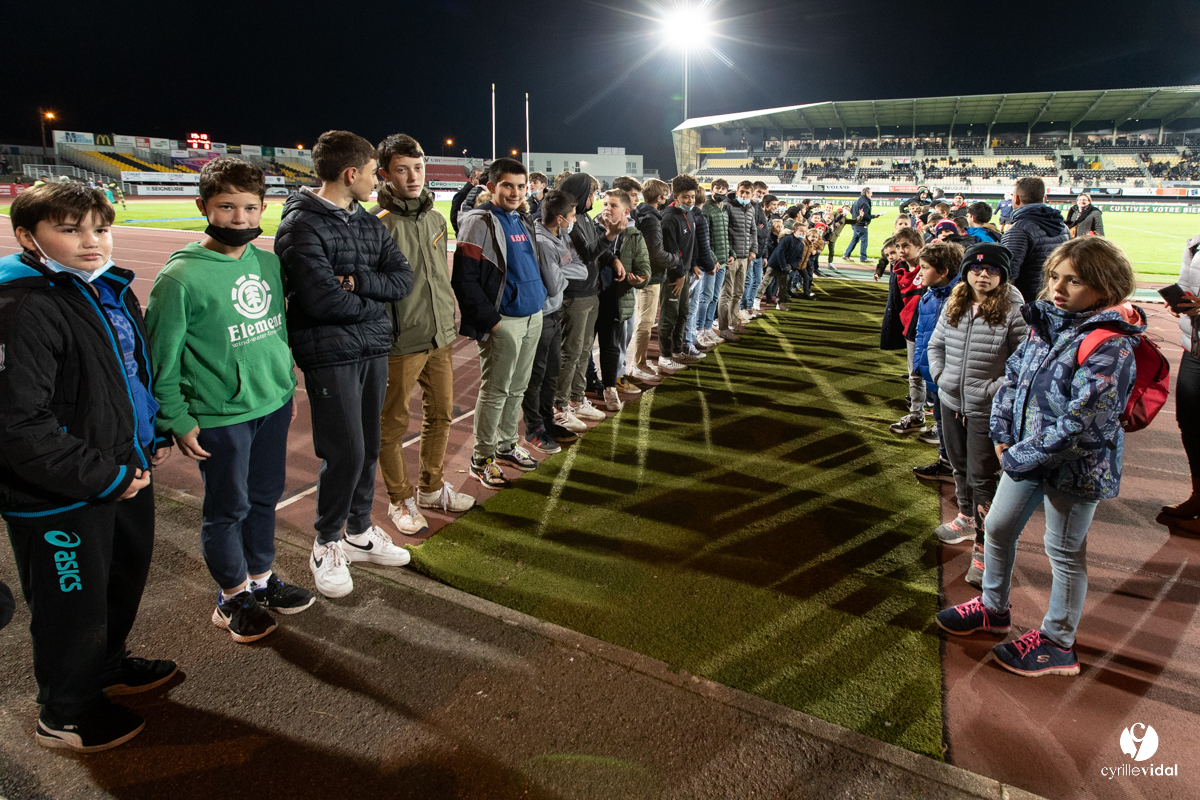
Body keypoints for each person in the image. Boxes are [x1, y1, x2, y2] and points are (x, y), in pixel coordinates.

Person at [1, 182, 176, 751]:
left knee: (117, 584)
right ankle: (65, 711)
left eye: (99, 228)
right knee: (69, 606)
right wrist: (106, 474)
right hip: (62, 492)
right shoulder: (23, 305)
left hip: (123, 470)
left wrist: (148, 436)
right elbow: (18, 425)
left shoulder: (108, 288)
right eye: (69, 229)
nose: (91, 242)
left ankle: (105, 667)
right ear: (28, 236)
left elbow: (128, 373)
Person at [937, 236, 1143, 677]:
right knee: (997, 526)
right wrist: (1002, 432)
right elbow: (1013, 378)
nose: (1058, 288)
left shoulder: (1111, 344)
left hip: (1073, 467)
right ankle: (994, 608)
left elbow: (1084, 424)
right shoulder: (1046, 321)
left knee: (1064, 551)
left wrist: (1017, 454)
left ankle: (1058, 642)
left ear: (1106, 287)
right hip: (1022, 454)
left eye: (1074, 280)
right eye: (1054, 276)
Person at [147, 156, 311, 643]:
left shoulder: (268, 262)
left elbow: (275, 332)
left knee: (264, 497)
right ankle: (231, 596)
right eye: (226, 207)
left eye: (250, 208)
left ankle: (261, 580)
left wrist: (285, 387)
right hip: (220, 417)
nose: (240, 219)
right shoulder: (180, 278)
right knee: (227, 508)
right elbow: (162, 359)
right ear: (203, 206)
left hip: (272, 406)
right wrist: (176, 418)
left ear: (264, 209)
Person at [275, 130, 415, 599]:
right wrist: (370, 301)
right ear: (351, 174)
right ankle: (326, 541)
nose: (377, 181)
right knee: (346, 452)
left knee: (369, 445)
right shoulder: (301, 225)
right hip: (329, 351)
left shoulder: (365, 221)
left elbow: (402, 279)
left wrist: (354, 281)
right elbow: (318, 299)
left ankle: (358, 531)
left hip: (370, 347)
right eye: (375, 172)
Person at [370, 134, 475, 536]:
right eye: (402, 169)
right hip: (400, 342)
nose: (413, 176)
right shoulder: (377, 226)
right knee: (392, 426)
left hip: (440, 336)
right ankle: (401, 499)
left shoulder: (435, 218)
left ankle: (431, 488)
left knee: (442, 415)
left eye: (418, 167)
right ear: (385, 174)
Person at [927, 242, 1028, 587]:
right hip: (951, 400)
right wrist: (941, 377)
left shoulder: (1014, 309)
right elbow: (936, 343)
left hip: (986, 407)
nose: (983, 275)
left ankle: (985, 549)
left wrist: (991, 390)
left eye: (992, 270)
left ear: (1003, 274)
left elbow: (1023, 363)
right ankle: (967, 517)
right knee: (958, 464)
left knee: (983, 476)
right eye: (976, 268)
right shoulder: (956, 299)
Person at [452, 157, 550, 489]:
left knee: (518, 388)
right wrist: (492, 322)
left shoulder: (521, 218)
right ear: (492, 186)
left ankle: (507, 445)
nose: (515, 192)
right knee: (496, 391)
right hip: (504, 320)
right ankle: (481, 458)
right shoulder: (478, 221)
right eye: (508, 185)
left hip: (532, 316)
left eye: (521, 186)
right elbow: (464, 280)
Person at [552, 172, 625, 422]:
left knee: (583, 352)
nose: (595, 197)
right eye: (592, 192)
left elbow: (597, 250)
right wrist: (611, 236)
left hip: (590, 292)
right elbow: (587, 253)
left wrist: (613, 258)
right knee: (570, 352)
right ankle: (560, 407)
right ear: (581, 194)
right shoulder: (568, 221)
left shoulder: (584, 218)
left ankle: (576, 397)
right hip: (573, 295)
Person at [526, 189, 574, 450]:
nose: (574, 219)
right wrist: (566, 269)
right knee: (537, 375)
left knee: (551, 372)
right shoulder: (544, 242)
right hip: (542, 315)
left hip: (552, 314)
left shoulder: (559, 235)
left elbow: (575, 263)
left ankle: (545, 421)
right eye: (572, 215)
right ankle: (533, 428)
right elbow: (555, 286)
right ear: (559, 218)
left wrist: (564, 268)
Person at [595, 189, 650, 411]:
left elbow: (645, 271)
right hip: (589, 298)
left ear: (626, 211)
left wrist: (637, 279)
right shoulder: (592, 229)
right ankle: (578, 395)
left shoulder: (634, 236)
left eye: (613, 205)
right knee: (579, 351)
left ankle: (609, 388)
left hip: (616, 299)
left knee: (610, 348)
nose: (607, 208)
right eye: (605, 204)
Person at [1160, 234, 1200, 532]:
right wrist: (1180, 304)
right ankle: (1198, 496)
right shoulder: (1196, 243)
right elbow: (1187, 286)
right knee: (1190, 423)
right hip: (1195, 347)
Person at [628, 178, 681, 380]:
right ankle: (638, 364)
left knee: (642, 320)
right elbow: (655, 252)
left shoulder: (640, 213)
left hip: (642, 272)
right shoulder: (652, 219)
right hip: (650, 275)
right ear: (659, 197)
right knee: (645, 322)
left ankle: (639, 361)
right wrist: (675, 260)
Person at [886, 228, 929, 436]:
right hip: (910, 331)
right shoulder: (898, 270)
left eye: (906, 246)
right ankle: (916, 415)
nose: (901, 251)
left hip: (929, 330)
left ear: (920, 247)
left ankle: (939, 424)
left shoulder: (930, 268)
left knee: (935, 376)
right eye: (898, 246)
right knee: (914, 375)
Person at [1001, 177, 1070, 301]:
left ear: (1016, 198)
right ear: (1044, 198)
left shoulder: (1018, 229)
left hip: (1028, 304)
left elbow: (1006, 273)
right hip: (1054, 298)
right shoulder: (1063, 227)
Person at [659, 174, 700, 362]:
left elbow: (689, 244)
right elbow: (672, 250)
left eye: (692, 196)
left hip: (685, 272)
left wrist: (693, 266)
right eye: (685, 197)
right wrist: (680, 273)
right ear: (675, 197)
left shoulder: (689, 212)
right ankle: (665, 357)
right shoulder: (668, 218)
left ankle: (676, 351)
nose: (690, 200)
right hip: (673, 275)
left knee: (683, 313)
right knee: (669, 315)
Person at [720, 180, 755, 341]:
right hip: (731, 257)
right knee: (727, 293)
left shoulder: (751, 209)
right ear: (736, 191)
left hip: (744, 258)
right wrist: (728, 252)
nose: (744, 195)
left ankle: (733, 322)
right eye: (741, 191)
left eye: (747, 192)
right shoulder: (728, 206)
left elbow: (753, 231)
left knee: (738, 292)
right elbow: (724, 231)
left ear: (751, 194)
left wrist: (753, 250)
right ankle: (723, 327)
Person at [700, 180, 732, 348]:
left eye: (723, 188)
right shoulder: (706, 208)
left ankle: (708, 328)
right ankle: (699, 332)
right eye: (717, 188)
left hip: (723, 261)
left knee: (714, 297)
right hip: (712, 262)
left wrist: (731, 253)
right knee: (705, 297)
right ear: (711, 190)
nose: (720, 191)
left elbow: (725, 235)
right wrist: (713, 259)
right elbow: (705, 238)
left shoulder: (724, 209)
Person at [842, 187, 879, 264]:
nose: (872, 194)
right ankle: (863, 257)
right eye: (871, 193)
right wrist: (873, 216)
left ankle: (846, 254)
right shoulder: (865, 202)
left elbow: (852, 210)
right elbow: (865, 215)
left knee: (855, 239)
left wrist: (856, 218)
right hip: (861, 224)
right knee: (864, 240)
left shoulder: (857, 200)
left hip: (855, 223)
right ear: (867, 193)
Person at [450, 167, 483, 233]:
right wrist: (461, 233)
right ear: (471, 179)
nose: (481, 181)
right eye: (478, 178)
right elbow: (454, 217)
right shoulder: (462, 194)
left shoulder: (482, 193)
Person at [823, 203, 847, 269]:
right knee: (819, 250)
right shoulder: (820, 214)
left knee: (832, 250)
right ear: (824, 207)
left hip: (830, 235)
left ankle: (830, 263)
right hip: (822, 236)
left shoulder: (832, 215)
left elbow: (835, 219)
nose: (828, 209)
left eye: (830, 208)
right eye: (827, 207)